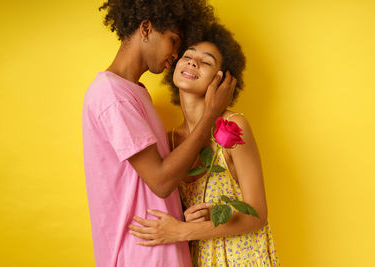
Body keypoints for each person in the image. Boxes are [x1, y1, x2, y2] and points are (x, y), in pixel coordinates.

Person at [82, 1, 237, 266]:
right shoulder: (112, 95)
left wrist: (182, 220)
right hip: (141, 254)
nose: (176, 54)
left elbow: (147, 187)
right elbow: (162, 181)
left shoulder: (136, 92)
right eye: (173, 41)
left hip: (162, 248)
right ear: (146, 28)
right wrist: (211, 114)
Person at [128, 23, 280, 266]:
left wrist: (181, 231)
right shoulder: (168, 140)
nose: (192, 62)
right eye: (187, 56)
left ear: (223, 80)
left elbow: (258, 215)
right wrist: (184, 220)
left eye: (206, 62)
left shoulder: (232, 125)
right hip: (198, 259)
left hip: (243, 258)